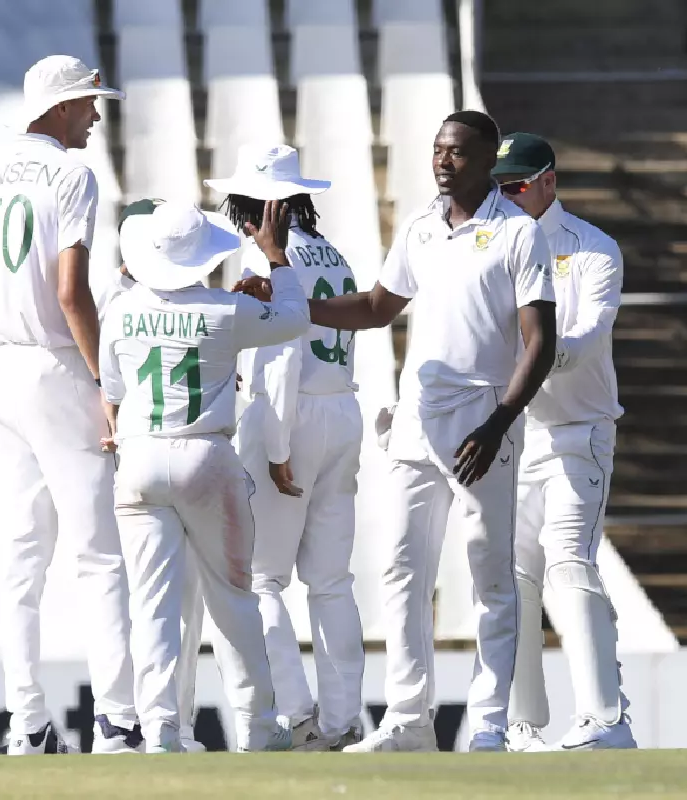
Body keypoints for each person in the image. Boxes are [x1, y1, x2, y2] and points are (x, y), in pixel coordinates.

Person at [237, 110, 557, 752]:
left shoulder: (519, 235)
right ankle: (409, 720)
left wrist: (499, 424)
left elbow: (539, 342)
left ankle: (490, 725)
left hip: (482, 419)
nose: (443, 161)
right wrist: (290, 303)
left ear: (489, 158)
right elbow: (376, 310)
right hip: (414, 417)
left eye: (458, 152)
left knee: (490, 577)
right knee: (402, 572)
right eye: (438, 149)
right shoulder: (418, 228)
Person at [0, 54, 140, 755]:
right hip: (59, 369)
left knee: (22, 560)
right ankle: (116, 720)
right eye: (88, 101)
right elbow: (70, 293)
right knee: (99, 557)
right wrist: (107, 386)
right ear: (58, 108)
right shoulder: (72, 174)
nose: (95, 111)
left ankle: (26, 724)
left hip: (3, 376)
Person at [100, 199, 310, 753]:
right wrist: (276, 258)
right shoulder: (226, 310)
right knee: (232, 598)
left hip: (140, 456)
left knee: (153, 604)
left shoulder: (121, 310)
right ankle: (260, 727)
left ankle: (162, 727)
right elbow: (295, 317)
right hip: (206, 458)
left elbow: (114, 393)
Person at [208, 144, 366, 751]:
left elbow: (277, 359)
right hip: (341, 407)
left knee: (262, 578)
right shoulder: (334, 252)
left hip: (290, 414)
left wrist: (274, 447)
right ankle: (342, 721)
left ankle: (298, 717)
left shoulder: (269, 256)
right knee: (330, 580)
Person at [491, 133, 636, 752]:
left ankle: (607, 719)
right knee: (515, 575)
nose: (506, 197)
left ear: (549, 180)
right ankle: (522, 725)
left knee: (566, 560)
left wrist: (530, 356)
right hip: (517, 436)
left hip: (579, 433)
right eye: (498, 187)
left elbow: (582, 342)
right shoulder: (488, 246)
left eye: (517, 185)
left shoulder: (592, 249)